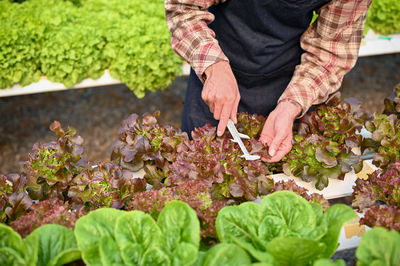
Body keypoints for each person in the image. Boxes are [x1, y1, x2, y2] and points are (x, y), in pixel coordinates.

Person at [165, 0, 372, 162]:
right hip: (216, 72)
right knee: (204, 172)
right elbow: (183, 8)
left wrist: (291, 105)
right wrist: (214, 65)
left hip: (289, 78)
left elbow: (330, 52)